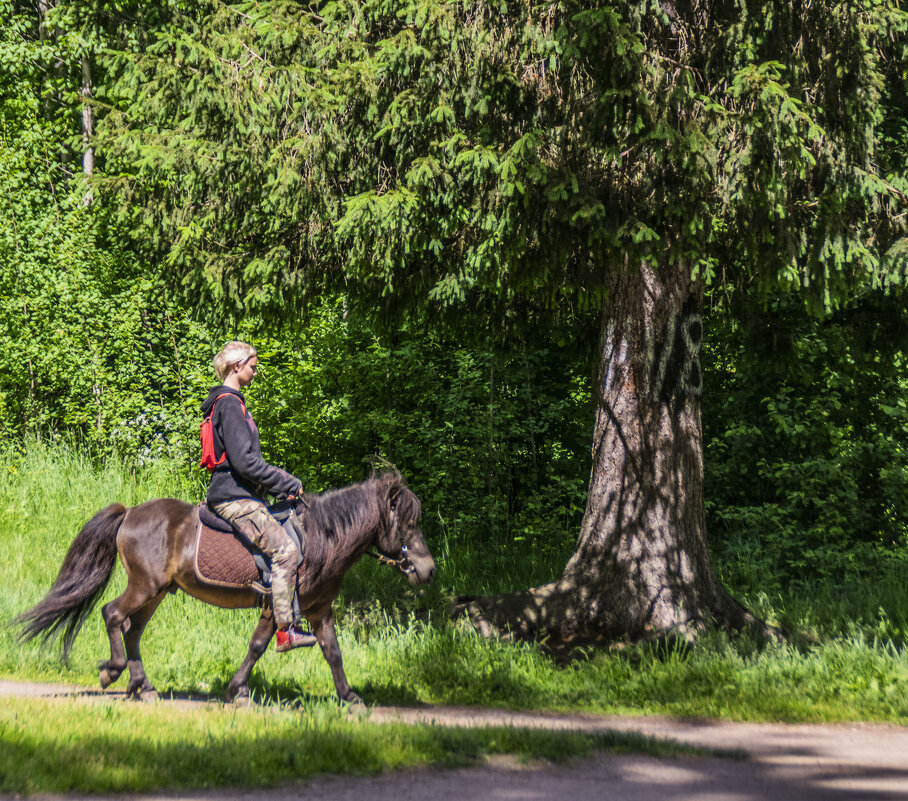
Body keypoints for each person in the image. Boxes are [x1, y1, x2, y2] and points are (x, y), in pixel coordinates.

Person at [201, 340, 316, 651]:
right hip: (234, 497)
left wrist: (278, 485)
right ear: (237, 367)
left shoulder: (226, 403)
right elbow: (244, 462)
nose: (255, 372)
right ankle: (285, 631)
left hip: (239, 492)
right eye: (252, 366)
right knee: (286, 552)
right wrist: (286, 481)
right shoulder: (229, 404)